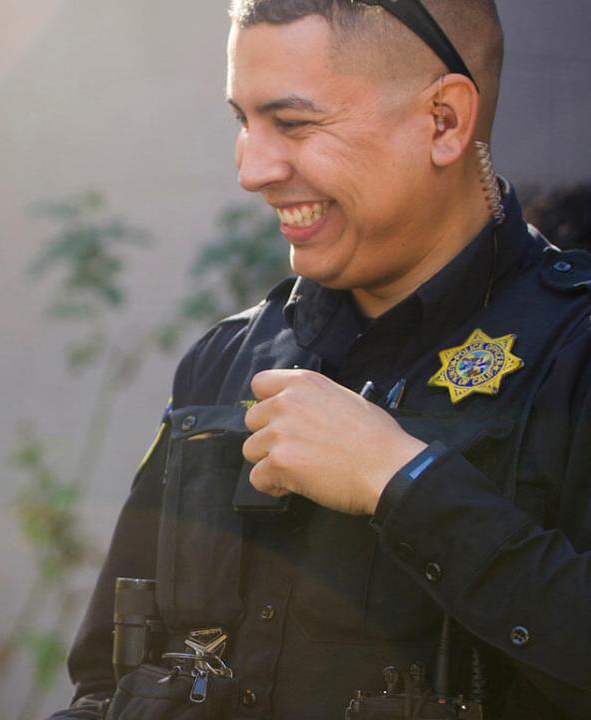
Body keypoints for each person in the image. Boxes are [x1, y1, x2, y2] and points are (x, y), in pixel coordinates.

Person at [51, 1, 591, 718]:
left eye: (294, 124)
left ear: (444, 122)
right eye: (243, 121)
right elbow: (105, 684)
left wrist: (404, 483)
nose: (252, 168)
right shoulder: (228, 359)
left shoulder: (574, 351)